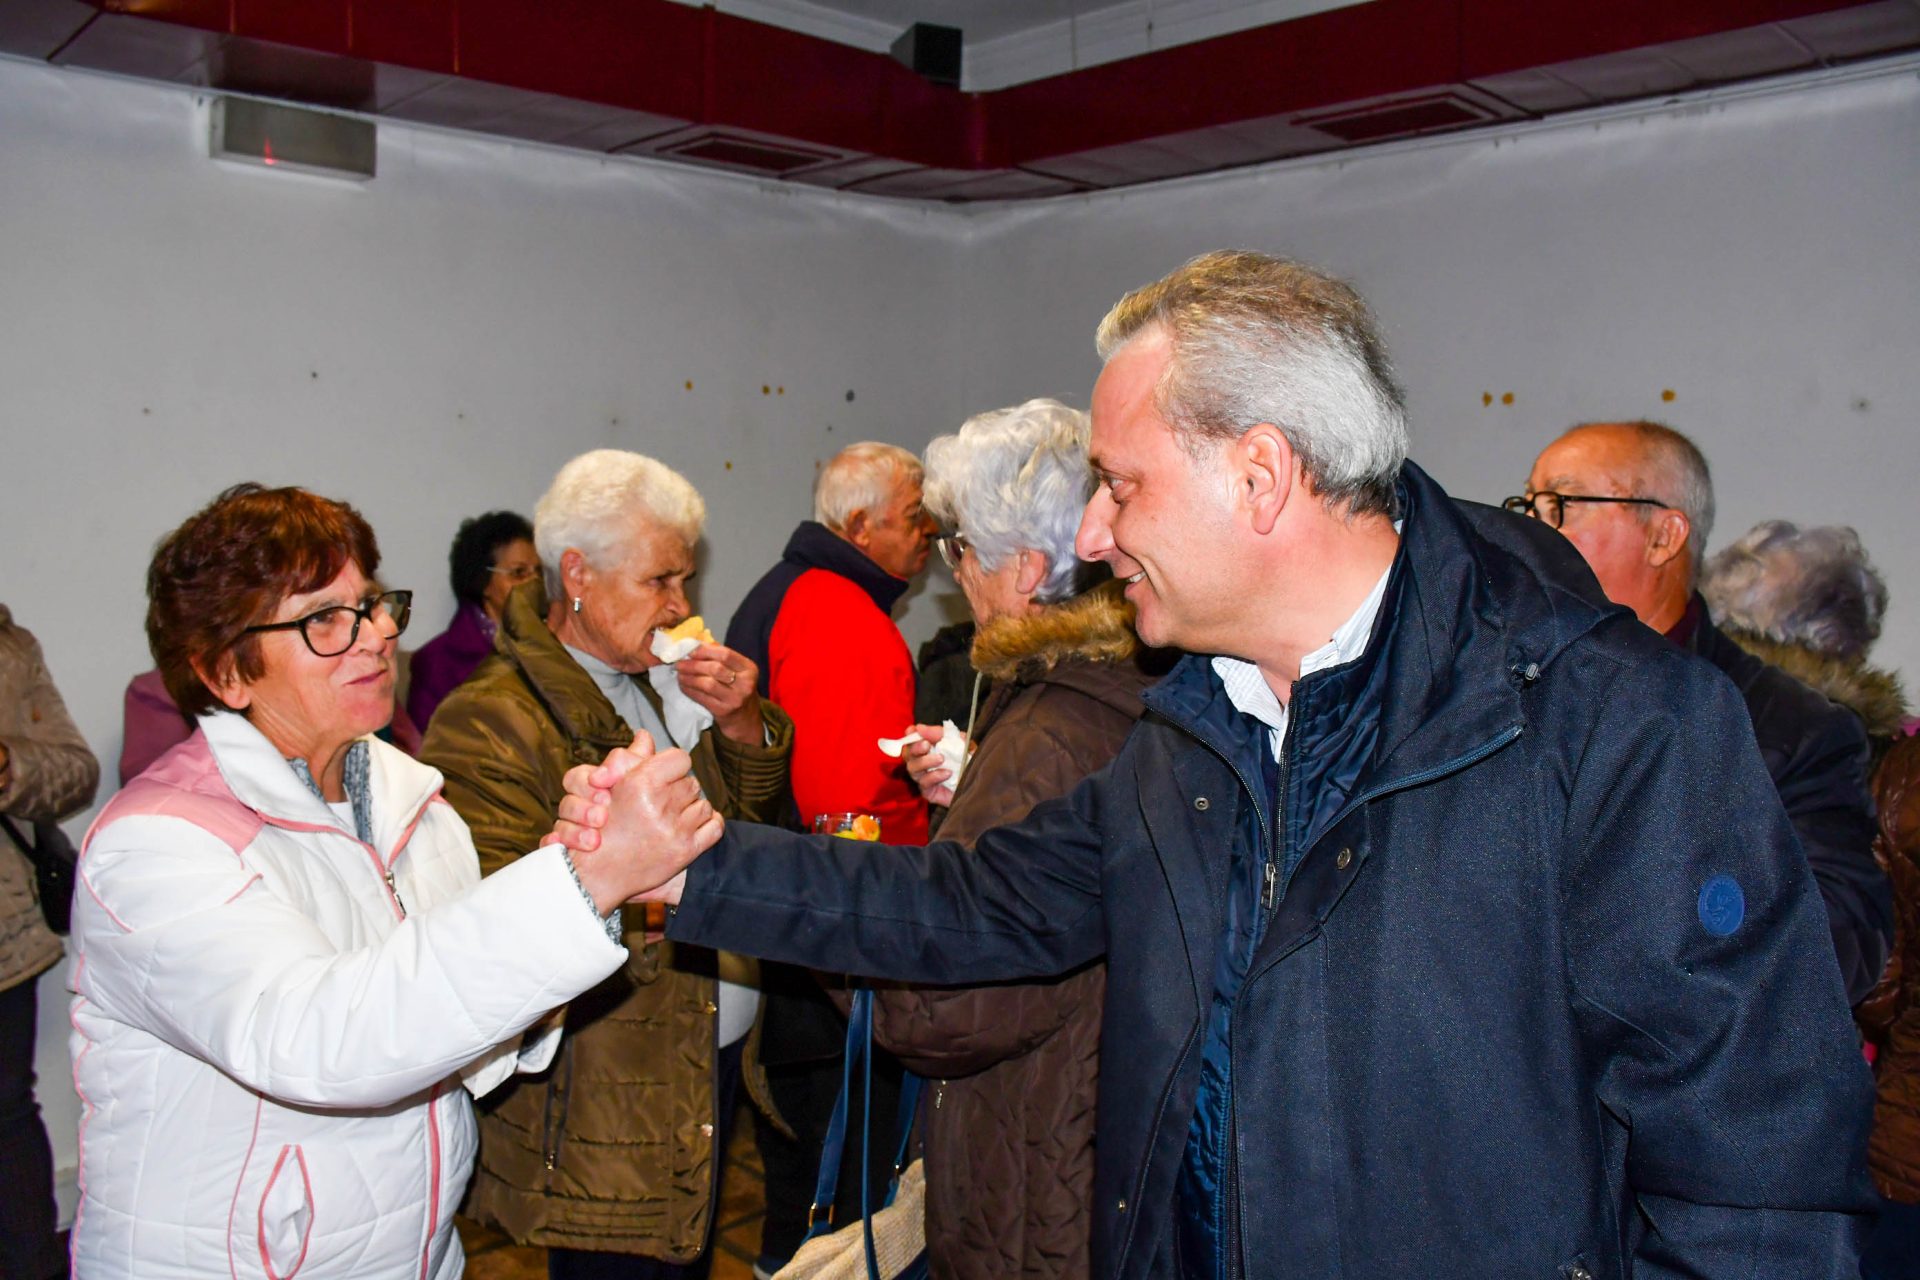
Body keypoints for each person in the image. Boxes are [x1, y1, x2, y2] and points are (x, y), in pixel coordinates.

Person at [560, 252, 1875, 1279]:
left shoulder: (1613, 730)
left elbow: (1751, 1170)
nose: (1090, 527)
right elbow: (979, 906)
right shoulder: (1201, 721)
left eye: (1122, 485)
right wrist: (699, 867)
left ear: (1261, 477)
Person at [69, 482, 699, 1280]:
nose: (380, 634)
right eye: (323, 619)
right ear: (227, 672)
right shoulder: (155, 846)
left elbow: (465, 1042)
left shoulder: (411, 801)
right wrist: (577, 886)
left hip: (413, 1253)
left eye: (371, 604)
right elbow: (327, 1041)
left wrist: (575, 878)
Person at [420, 450, 794, 1280]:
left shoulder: (660, 684)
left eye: (684, 580)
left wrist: (738, 727)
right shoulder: (491, 719)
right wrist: (688, 908)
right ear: (578, 574)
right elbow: (507, 926)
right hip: (604, 1093)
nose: (681, 606)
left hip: (702, 1048)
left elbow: (735, 834)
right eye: (660, 581)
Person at [882, 398, 1155, 1280]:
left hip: (1040, 1165)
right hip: (1104, 1136)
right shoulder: (1135, 678)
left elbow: (945, 1008)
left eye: (961, 549)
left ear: (1029, 570)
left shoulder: (1049, 729)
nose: (953, 570)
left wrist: (859, 935)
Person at [1514, 423, 1893, 1004]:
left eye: (1560, 505)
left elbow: (1841, 948)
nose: (1530, 530)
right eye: (1526, 504)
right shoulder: (1498, 692)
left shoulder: (1790, 729)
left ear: (1663, 537)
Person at [723, 439, 936, 1274]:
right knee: (834, 1223)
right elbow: (849, 815)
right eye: (913, 519)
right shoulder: (838, 613)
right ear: (858, 525)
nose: (927, 536)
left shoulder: (798, 593)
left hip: (794, 952)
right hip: (834, 971)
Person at [0, 603, 99, 1280]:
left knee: (7, 1112)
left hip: (4, 939)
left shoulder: (10, 645)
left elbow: (75, 770)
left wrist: (8, 764)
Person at [407, 510, 540, 731]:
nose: (535, 582)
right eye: (519, 572)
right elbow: (426, 750)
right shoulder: (436, 661)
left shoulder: (557, 645)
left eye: (539, 572)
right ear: (483, 582)